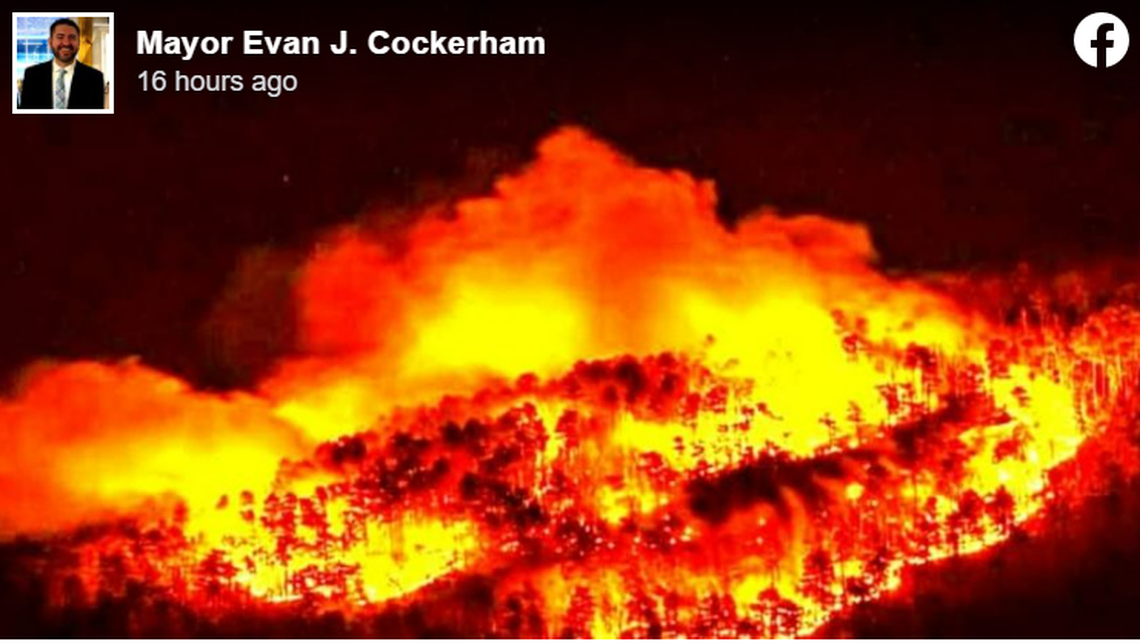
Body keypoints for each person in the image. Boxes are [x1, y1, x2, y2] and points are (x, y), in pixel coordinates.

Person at [19, 18, 104, 110]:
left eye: (72, 37)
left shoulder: (94, 78)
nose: (66, 43)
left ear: (79, 43)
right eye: (60, 37)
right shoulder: (32, 75)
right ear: (50, 42)